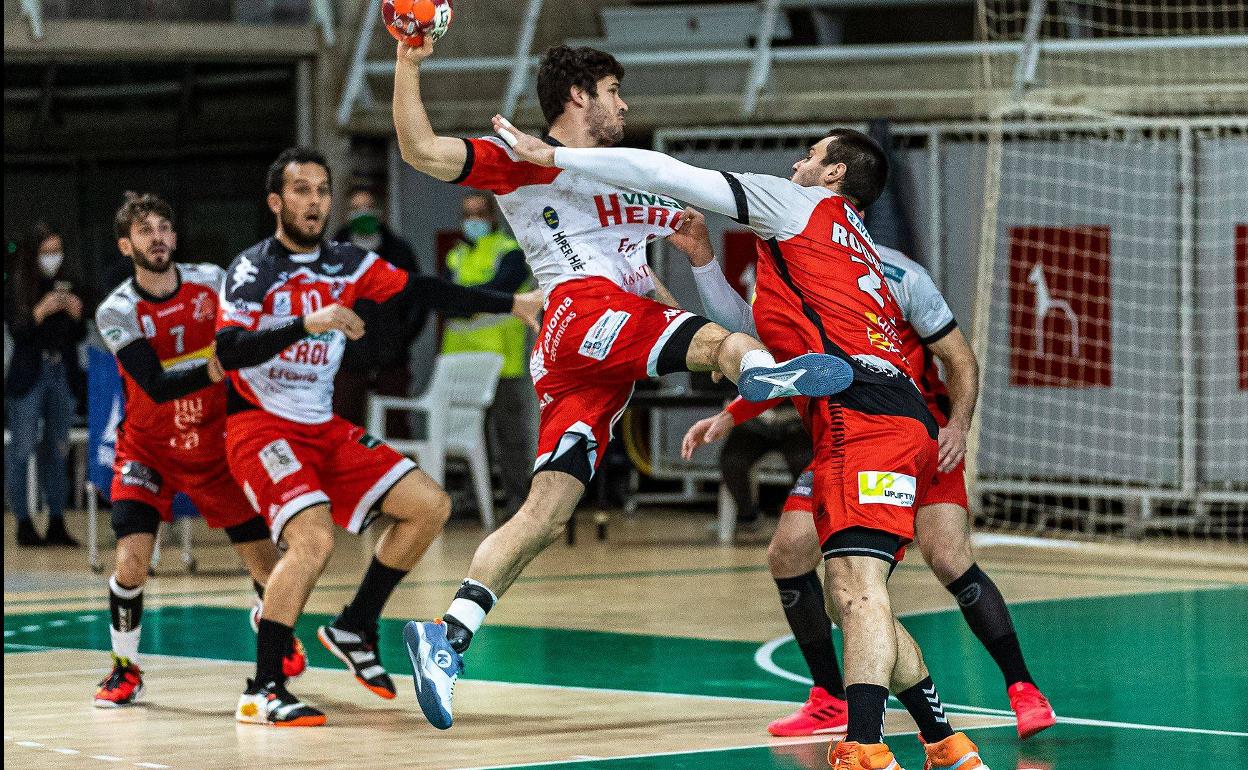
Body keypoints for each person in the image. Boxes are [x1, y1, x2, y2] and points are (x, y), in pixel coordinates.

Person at [392, 39, 855, 731]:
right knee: (717, 343)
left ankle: (448, 636)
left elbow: (658, 297)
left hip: (591, 358)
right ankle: (763, 373)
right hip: (580, 314)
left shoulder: (635, 185)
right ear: (578, 96)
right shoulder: (525, 158)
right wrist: (409, 58)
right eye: (614, 90)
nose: (624, 103)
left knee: (545, 516)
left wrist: (701, 267)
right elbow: (421, 150)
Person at [499, 124, 989, 769]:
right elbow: (751, 333)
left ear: (835, 174)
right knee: (850, 597)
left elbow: (666, 173)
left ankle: (865, 748)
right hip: (871, 415)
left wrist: (555, 155)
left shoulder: (798, 206)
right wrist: (703, 259)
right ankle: (946, 743)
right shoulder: (843, 249)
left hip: (865, 412)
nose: (797, 161)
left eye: (811, 154)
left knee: (858, 589)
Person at [216, 146, 542, 727]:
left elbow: (422, 290)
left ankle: (356, 623)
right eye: (300, 191)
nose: (314, 202)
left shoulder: (347, 262)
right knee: (313, 542)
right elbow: (229, 350)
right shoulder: (253, 268)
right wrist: (305, 323)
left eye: (321, 191)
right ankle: (262, 688)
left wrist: (511, 303)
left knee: (428, 506)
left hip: (321, 425)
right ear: (275, 202)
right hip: (259, 422)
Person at [683, 244, 1056, 740]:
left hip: (919, 433)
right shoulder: (792, 269)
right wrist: (732, 413)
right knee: (790, 554)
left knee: (945, 560)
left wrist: (960, 426)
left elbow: (959, 358)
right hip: (847, 440)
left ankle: (1023, 690)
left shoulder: (899, 274)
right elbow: (788, 364)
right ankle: (831, 700)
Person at [92, 192, 307, 708]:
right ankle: (125, 667)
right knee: (131, 561)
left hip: (216, 449)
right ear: (127, 245)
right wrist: (218, 364)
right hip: (149, 452)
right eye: (145, 231)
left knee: (266, 565)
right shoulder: (118, 309)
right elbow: (156, 384)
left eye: (164, 226)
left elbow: (250, 336)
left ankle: (269, 619)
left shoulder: (212, 281)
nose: (159, 237)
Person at [441, 192, 535, 517]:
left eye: (480, 213)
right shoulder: (455, 255)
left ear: (492, 216)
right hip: (461, 362)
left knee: (509, 436)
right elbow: (443, 299)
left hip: (501, 360)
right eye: (468, 214)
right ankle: (472, 498)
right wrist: (475, 300)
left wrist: (466, 300)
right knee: (466, 435)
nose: (474, 220)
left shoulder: (510, 252)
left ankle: (518, 501)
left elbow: (502, 288)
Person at [4, 222, 85, 548]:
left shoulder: (67, 283)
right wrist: (39, 312)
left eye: (57, 251)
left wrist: (77, 314)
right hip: (29, 376)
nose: (54, 258)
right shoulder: (18, 285)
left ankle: (56, 521)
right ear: (34, 254)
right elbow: (18, 332)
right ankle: (23, 521)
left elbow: (76, 337)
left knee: (57, 449)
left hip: (60, 373)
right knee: (22, 449)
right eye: (47, 252)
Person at [331, 184, 422, 430]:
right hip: (346, 360)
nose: (363, 213)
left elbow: (417, 301)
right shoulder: (331, 254)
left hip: (392, 359)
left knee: (395, 427)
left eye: (368, 207)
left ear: (380, 212)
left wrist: (399, 339)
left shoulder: (399, 251)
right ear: (345, 214)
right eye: (356, 208)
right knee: (345, 428)